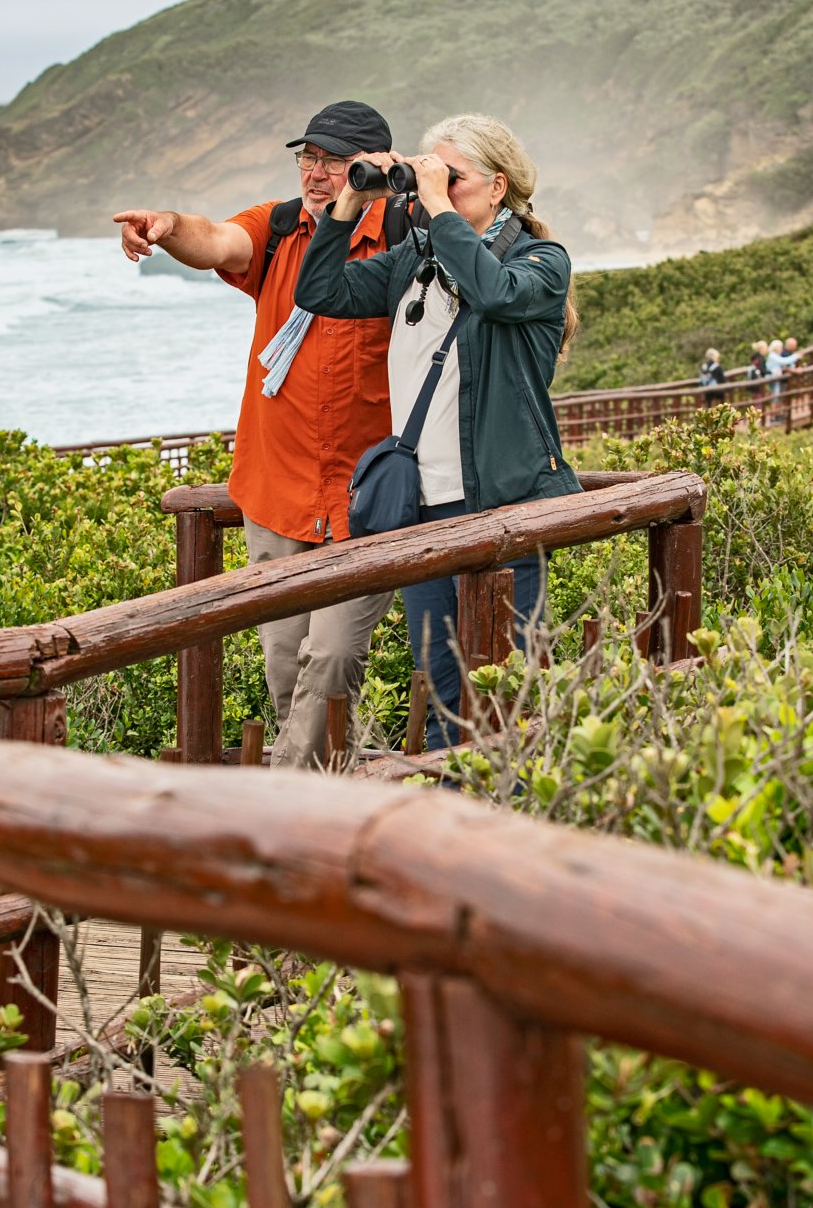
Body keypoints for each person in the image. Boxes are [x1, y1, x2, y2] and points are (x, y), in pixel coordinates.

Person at [114, 101, 404, 769]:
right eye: (309, 158)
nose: (317, 174)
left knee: (330, 661)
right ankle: (338, 798)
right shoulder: (279, 229)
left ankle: (281, 806)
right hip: (278, 489)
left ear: (372, 167)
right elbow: (215, 240)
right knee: (284, 669)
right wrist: (165, 227)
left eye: (334, 162)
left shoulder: (403, 240)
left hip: (365, 499)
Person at [295, 112, 581, 751]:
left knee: (509, 688)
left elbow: (493, 292)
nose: (441, 190)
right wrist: (349, 202)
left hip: (506, 505)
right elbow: (320, 291)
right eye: (433, 177)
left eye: (455, 179)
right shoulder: (414, 261)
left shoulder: (540, 261)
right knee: (442, 686)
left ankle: (518, 820)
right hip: (422, 508)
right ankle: (453, 823)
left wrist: (432, 206)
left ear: (498, 188)